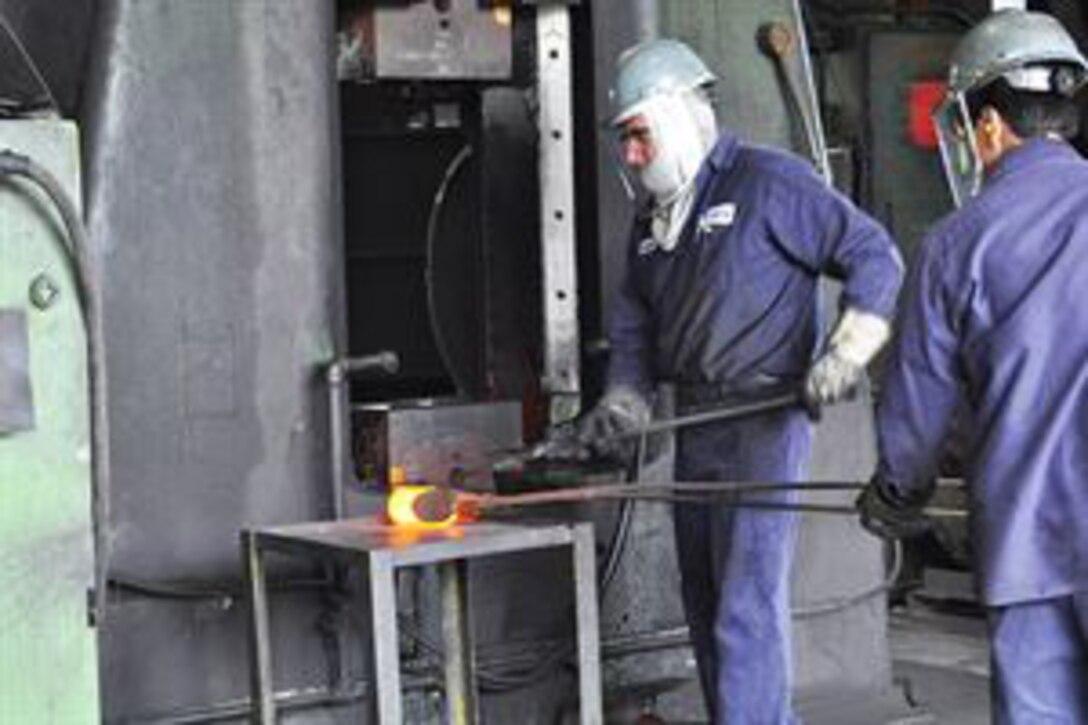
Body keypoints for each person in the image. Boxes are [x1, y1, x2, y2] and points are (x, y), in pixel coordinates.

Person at [581, 38, 904, 724]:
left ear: (675, 117)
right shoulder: (650, 226)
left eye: (639, 135)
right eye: (626, 140)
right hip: (696, 422)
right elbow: (635, 321)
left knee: (741, 604)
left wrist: (847, 351)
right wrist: (625, 395)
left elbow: (874, 254)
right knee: (703, 598)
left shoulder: (768, 182)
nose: (632, 155)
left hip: (765, 419)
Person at [855, 9, 1088, 723]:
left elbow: (915, 413)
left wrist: (896, 494)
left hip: (1033, 542)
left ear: (986, 127)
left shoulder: (958, 245)